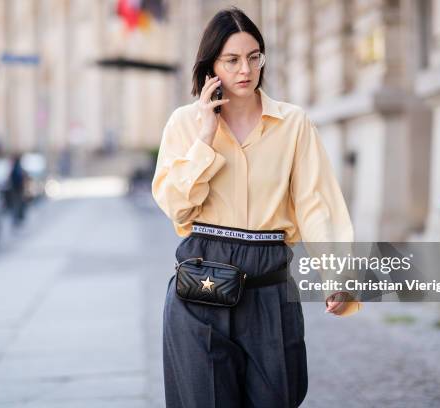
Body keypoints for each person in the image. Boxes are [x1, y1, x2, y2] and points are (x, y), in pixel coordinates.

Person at [151, 7, 359, 408]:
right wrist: (205, 139)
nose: (245, 69)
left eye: (253, 56)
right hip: (201, 285)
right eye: (231, 60)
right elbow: (177, 208)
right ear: (211, 66)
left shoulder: (293, 124)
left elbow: (316, 203)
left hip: (269, 289)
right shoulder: (184, 124)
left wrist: (337, 274)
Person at [8, 153, 26, 227]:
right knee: (17, 204)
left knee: (16, 204)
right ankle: (17, 219)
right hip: (17, 189)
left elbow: (14, 178)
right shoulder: (18, 167)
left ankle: (16, 220)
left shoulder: (16, 167)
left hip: (16, 189)